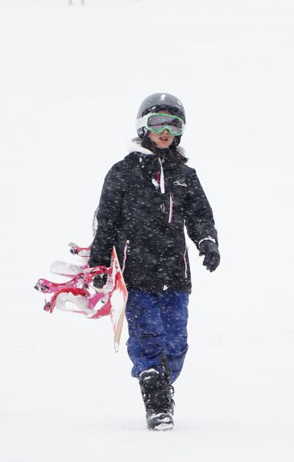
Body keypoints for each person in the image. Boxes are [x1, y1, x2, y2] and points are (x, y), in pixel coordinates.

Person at [87, 93, 220, 431]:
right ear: (143, 127)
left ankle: (164, 383)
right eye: (158, 122)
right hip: (136, 274)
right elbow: (106, 221)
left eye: (173, 124)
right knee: (148, 337)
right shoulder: (123, 172)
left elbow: (200, 215)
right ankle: (156, 399)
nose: (165, 130)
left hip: (176, 273)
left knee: (176, 341)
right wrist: (99, 263)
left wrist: (206, 241)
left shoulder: (184, 175)